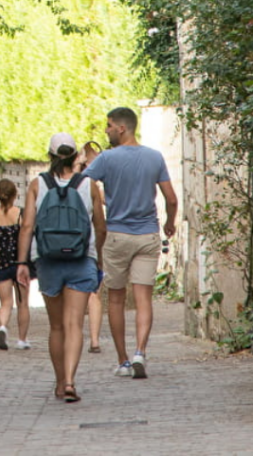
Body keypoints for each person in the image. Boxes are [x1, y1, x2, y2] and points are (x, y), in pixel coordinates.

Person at [82, 106, 177, 380]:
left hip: (117, 234)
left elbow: (82, 186)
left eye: (109, 125)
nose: (106, 130)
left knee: (115, 299)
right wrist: (170, 223)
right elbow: (171, 198)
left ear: (121, 128)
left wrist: (99, 203)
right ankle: (140, 352)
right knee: (144, 297)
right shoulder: (154, 157)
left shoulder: (106, 159)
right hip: (148, 234)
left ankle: (123, 360)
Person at [16, 133, 106, 403]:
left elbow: (28, 226)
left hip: (49, 260)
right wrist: (98, 257)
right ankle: (70, 380)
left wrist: (22, 262)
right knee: (75, 325)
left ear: (50, 155)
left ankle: (58, 382)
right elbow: (100, 226)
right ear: (75, 155)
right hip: (82, 259)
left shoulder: (37, 184)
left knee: (56, 327)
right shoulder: (89, 185)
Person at [0, 178, 32, 351]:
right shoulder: (20, 214)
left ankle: (3, 327)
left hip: (0, 263)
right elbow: (26, 235)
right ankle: (22, 339)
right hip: (20, 262)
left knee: (5, 302)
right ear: (15, 195)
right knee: (23, 303)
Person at [74, 141, 105, 353]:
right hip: (88, 245)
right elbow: (100, 223)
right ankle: (94, 340)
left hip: (64, 245)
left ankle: (73, 336)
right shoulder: (92, 187)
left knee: (72, 295)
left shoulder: (58, 183)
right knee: (94, 294)